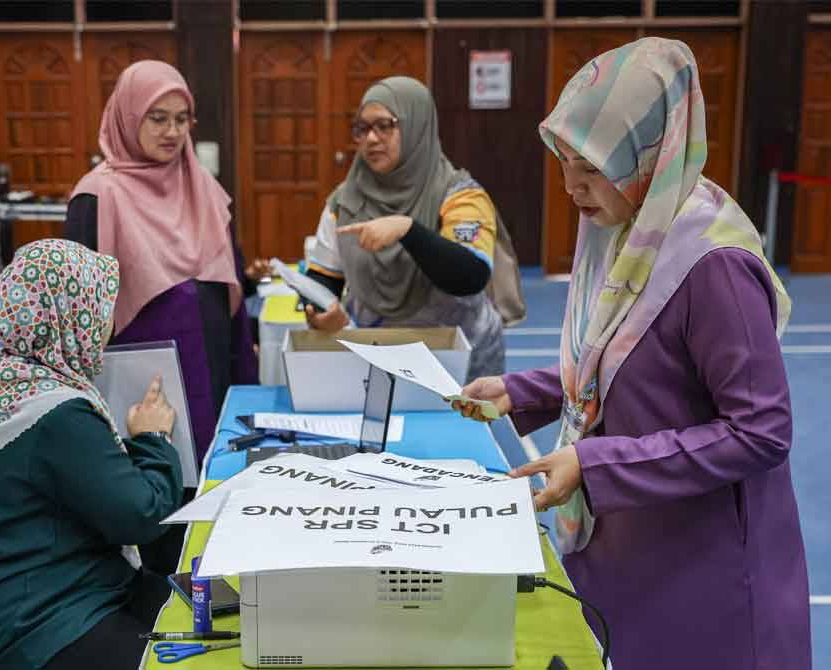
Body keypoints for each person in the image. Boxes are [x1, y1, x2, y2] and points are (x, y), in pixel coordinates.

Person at [456, 38, 810, 669]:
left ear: (654, 151)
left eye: (591, 168)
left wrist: (596, 465)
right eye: (565, 162)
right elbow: (618, 365)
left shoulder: (713, 263)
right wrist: (524, 391)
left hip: (708, 577)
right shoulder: (622, 234)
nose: (571, 187)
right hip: (628, 546)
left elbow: (761, 431)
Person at [0, 239, 185, 669]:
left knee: (202, 616)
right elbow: (139, 514)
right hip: (29, 622)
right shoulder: (55, 411)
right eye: (101, 304)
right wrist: (154, 439)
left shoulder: (6, 379)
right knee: (189, 653)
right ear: (67, 313)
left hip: (23, 596)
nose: (109, 320)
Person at [66, 60, 261, 465]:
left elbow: (230, 281)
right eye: (158, 118)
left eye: (182, 119)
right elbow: (75, 315)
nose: (172, 132)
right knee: (158, 493)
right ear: (128, 117)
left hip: (213, 366)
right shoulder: (98, 196)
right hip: (142, 385)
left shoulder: (203, 186)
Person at [304, 76, 518, 379]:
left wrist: (409, 230)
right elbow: (323, 277)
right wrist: (319, 313)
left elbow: (470, 276)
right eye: (362, 129)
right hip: (380, 358)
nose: (371, 139)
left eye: (385, 125)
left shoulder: (461, 194)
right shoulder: (345, 202)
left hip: (459, 364)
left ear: (417, 126)